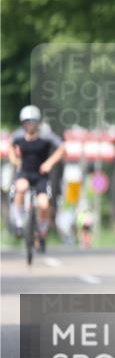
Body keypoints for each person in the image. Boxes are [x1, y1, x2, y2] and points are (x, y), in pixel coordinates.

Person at [9, 105, 64, 253]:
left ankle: (42, 231)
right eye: (27, 122)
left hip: (41, 176)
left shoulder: (46, 136)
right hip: (25, 173)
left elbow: (61, 148)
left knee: (44, 205)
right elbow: (9, 146)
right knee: (21, 188)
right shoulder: (19, 136)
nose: (30, 125)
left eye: (33, 121)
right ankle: (20, 224)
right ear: (23, 123)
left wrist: (49, 163)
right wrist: (15, 160)